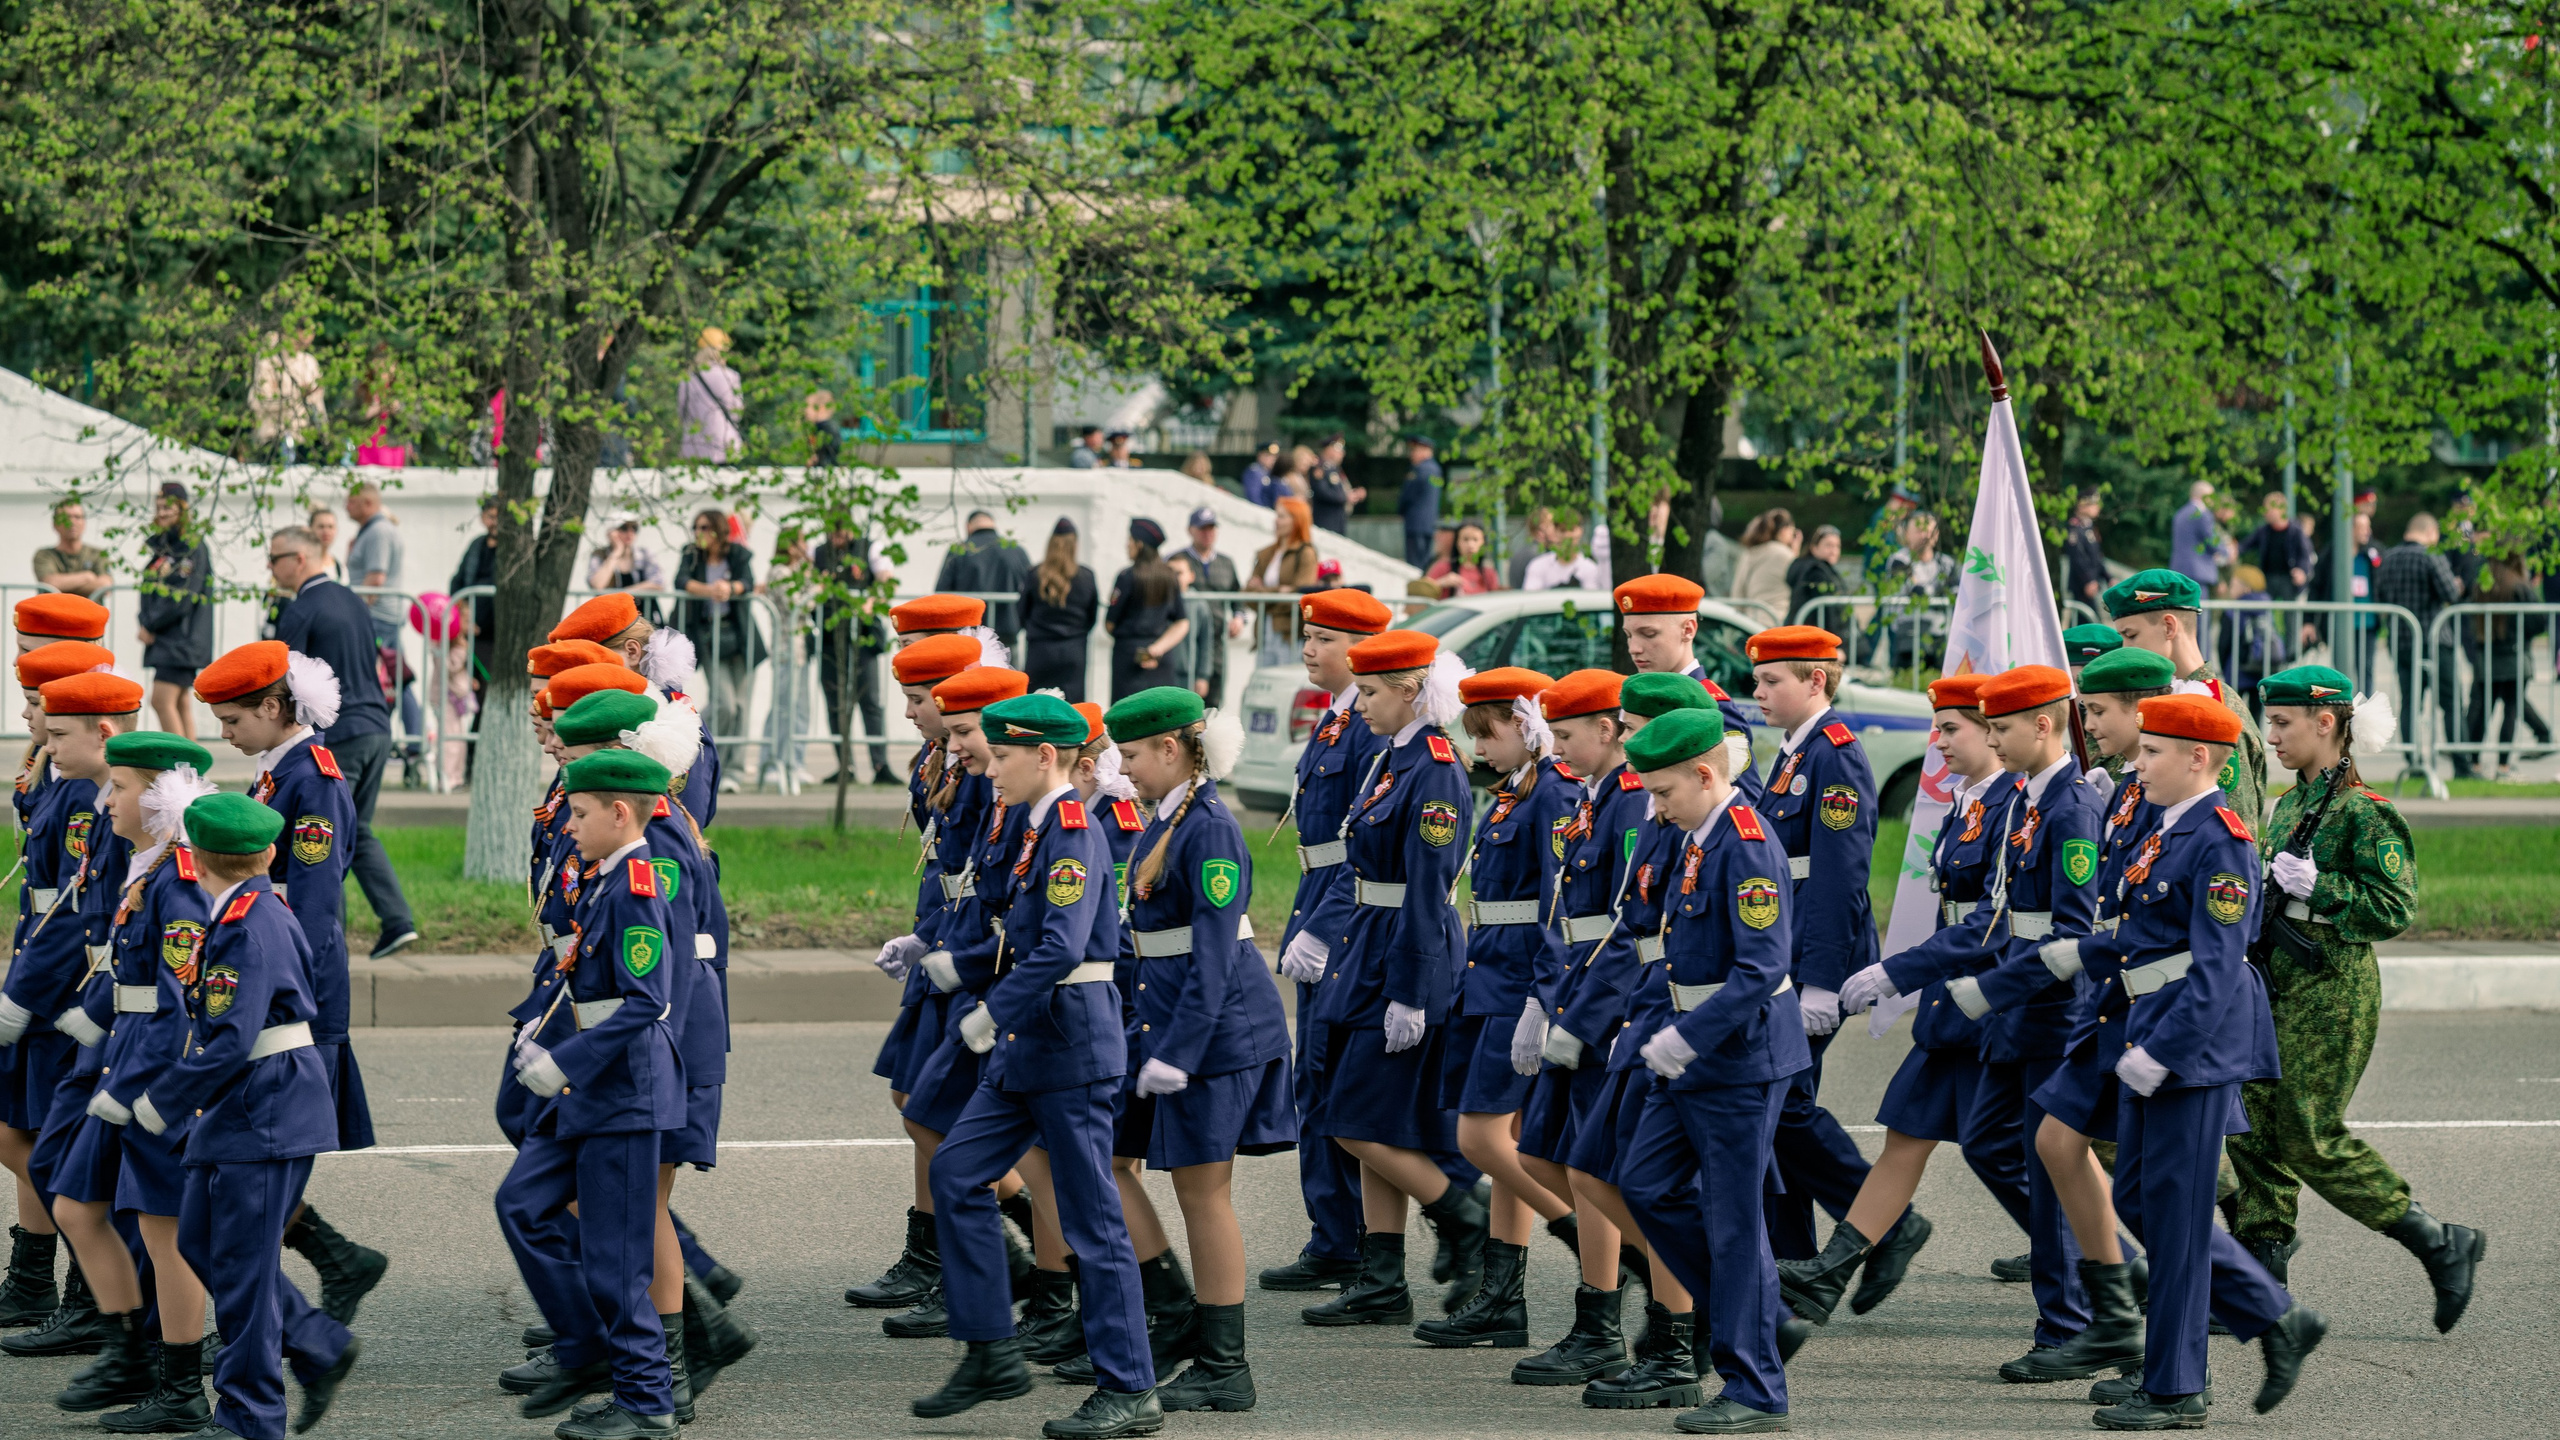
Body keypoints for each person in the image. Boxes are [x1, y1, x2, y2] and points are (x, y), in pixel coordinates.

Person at [2037, 695, 2328, 1429]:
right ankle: (2273, 1318)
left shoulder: (2221, 840)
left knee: (2173, 1212)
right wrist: (2080, 959)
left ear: (2199, 758)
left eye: (2152, 752)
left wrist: (2163, 1052)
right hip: (2147, 1030)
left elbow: (2217, 966)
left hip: (2191, 1049)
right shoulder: (2167, 827)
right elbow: (2144, 937)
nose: (2137, 764)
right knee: (2143, 1202)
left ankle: (2176, 1387)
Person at [1830, 667, 2105, 1375]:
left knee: (2058, 1165)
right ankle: (2105, 1293)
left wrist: (1983, 989)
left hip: (2042, 1008)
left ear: (2032, 726)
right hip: (2005, 998)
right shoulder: (2019, 803)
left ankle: (2087, 1315)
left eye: (1978, 727)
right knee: (1997, 1145)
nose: (1942, 742)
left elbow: (2062, 932)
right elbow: (1990, 915)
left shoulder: (2064, 805)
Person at [907, 692, 1165, 1440]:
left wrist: (992, 1011)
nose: (990, 770)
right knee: (957, 1172)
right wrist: (958, 964)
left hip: (1069, 1046)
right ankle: (990, 1348)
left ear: (1045, 756)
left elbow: (1061, 947)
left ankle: (1131, 1387)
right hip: (1031, 1046)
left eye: (1004, 756)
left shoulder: (1073, 829)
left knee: (1092, 1222)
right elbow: (1021, 938)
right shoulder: (1035, 826)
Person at [2234, 666, 2483, 1329]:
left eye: (2283, 723)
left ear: (2326, 724)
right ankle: (2261, 1277)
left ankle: (2439, 1241)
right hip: (2278, 978)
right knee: (2252, 1121)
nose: (2271, 736)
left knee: (2307, 1134)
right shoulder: (2290, 805)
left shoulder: (2364, 812)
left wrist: (2322, 887)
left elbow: (2394, 907)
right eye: (2270, 722)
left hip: (2333, 986)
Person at [1278, 628, 1489, 1335]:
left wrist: (1411, 989)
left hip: (1402, 950)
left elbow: (1429, 888)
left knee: (1354, 1121)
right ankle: (1381, 1278)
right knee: (1359, 1118)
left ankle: (1465, 1217)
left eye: (1370, 692)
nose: (1360, 703)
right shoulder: (1390, 759)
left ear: (1410, 691)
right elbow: (1359, 865)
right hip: (1364, 945)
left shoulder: (1435, 769)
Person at [1803, 676, 2039, 1300]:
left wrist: (1897, 971)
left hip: (1993, 1005)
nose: (1937, 742)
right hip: (1954, 1006)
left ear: (1991, 732)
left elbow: (1992, 923)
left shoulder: (2016, 807)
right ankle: (1833, 1271)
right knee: (1908, 1130)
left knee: (2010, 1153)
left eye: (1951, 729)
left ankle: (2107, 1268)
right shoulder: (1969, 803)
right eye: (1936, 729)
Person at [138, 790, 361, 1437]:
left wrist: (163, 1100)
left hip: (265, 1104)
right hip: (245, 1101)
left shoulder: (246, 924)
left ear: (197, 860)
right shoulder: (245, 910)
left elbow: (233, 1037)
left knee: (240, 1269)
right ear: (267, 854)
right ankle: (316, 1342)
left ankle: (249, 1415)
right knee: (200, 1241)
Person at [1618, 706, 1812, 1435]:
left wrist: (1687, 1038)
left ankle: (1756, 1389)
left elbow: (1760, 968)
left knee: (1734, 1225)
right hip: (1694, 1050)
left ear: (1705, 774)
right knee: (1645, 1183)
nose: (1655, 808)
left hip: (1737, 1057)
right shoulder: (1697, 835)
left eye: (1664, 792)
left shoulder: (1746, 843)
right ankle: (1758, 1315)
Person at [193, 639, 395, 1320]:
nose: (226, 733)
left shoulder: (316, 778)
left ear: (275, 707)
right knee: (254, 1165)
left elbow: (312, 903)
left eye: (233, 720)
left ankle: (274, 1327)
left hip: (294, 986)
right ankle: (336, 1265)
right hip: (272, 976)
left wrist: (285, 993)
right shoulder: (277, 771)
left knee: (264, 1166)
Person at [1107, 686, 1293, 1411]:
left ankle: (1224, 1364)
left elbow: (1213, 955)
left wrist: (1180, 1051)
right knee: (1114, 1160)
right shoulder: (1168, 816)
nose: (1124, 769)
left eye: (1132, 755)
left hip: (1216, 1035)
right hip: (1167, 1023)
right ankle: (1175, 1309)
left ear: (1171, 749)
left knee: (1202, 1192)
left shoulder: (1208, 828)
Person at [497, 749, 689, 1439]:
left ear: (619, 813)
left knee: (615, 1261)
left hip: (624, 1096)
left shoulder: (635, 886)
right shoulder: (603, 879)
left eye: (579, 813)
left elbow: (645, 1000)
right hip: (586, 1089)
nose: (569, 824)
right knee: (521, 1204)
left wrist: (565, 1061)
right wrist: (540, 1035)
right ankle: (583, 1345)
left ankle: (646, 1402)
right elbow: (579, 979)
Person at [1416, 667, 1575, 1352]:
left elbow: (1559, 904)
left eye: (1487, 732)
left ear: (1524, 724)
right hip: (1490, 977)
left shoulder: (1553, 794)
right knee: (1507, 1143)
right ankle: (1503, 1298)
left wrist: (1544, 995)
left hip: (1519, 984)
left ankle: (1599, 1240)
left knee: (1480, 1140)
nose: (1477, 747)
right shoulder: (1518, 790)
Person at [846, 622, 992, 1324]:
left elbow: (990, 874)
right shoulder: (937, 760)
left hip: (969, 946)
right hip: (942, 933)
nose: (908, 713)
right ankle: (935, 1251)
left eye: (916, 698)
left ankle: (1002, 1258)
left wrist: (948, 943)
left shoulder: (986, 766)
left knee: (943, 1110)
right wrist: (923, 934)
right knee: (917, 1097)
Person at [1505, 667, 1648, 1386]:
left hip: (1604, 1001)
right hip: (1572, 987)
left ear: (1608, 729)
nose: (1554, 748)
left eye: (1564, 735)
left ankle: (1605, 1319)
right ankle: (1655, 1281)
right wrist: (1543, 998)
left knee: (1590, 1167)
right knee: (1543, 1154)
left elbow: (1628, 922)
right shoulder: (1592, 797)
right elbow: (1561, 910)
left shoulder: (1631, 802)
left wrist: (1595, 1013)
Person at [74, 731, 220, 1429]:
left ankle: (181, 1388)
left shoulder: (178, 879)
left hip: (156, 1076)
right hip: (126, 1058)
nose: (108, 800)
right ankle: (132, 1354)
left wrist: (137, 1088)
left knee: (166, 1233)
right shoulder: (150, 867)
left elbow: (178, 1001)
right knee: (85, 1206)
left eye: (122, 787)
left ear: (161, 796)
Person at [1747, 625, 1904, 1270]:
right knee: (1780, 1108)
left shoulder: (1834, 754)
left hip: (1815, 956)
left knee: (1783, 1107)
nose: (1758, 692)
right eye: (1757, 680)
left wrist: (1820, 979)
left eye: (1771, 680)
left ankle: (1883, 1226)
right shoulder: (1795, 751)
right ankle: (1791, 1255)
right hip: (1788, 951)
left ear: (1816, 680)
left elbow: (1841, 874)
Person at [1257, 590, 1392, 1295]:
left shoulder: (1370, 727)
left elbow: (1363, 844)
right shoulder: (1338, 719)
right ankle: (1335, 1235)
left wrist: (1323, 926)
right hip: (1319, 895)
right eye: (1308, 637)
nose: (1309, 649)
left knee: (1332, 1074)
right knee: (1315, 1076)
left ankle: (1355, 1238)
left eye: (1324, 639)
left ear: (1362, 651)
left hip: (1343, 909)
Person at [267, 525, 420, 958]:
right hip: (376, 728)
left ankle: (328, 943)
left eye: (275, 558)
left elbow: (283, 683)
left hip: (341, 736)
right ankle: (397, 920)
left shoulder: (301, 609)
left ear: (299, 559)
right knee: (359, 829)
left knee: (323, 840)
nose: (270, 567)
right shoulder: (352, 599)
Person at [2104, 567, 2268, 823]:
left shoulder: (2215, 712)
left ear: (2169, 627)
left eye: (2131, 635)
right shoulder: (2155, 701)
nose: (2125, 650)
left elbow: (2229, 828)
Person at [673, 508, 764, 783]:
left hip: (739, 636)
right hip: (709, 637)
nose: (698, 533)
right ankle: (693, 741)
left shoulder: (737, 553)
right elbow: (680, 581)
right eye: (696, 527)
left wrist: (730, 588)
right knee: (725, 704)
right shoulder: (691, 554)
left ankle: (733, 770)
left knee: (741, 706)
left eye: (704, 528)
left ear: (717, 530)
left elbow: (747, 582)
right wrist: (710, 590)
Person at [2374, 514, 2465, 776]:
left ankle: (2413, 761)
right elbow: (2450, 593)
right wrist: (2457, 585)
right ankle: (2462, 764)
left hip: (2401, 641)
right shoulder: (2431, 555)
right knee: (2451, 702)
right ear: (2431, 532)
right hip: (2435, 640)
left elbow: (2380, 597)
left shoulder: (2388, 558)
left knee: (2410, 702)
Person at [345, 484, 424, 781]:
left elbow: (375, 580)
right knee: (394, 679)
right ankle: (410, 741)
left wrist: (353, 612)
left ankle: (413, 742)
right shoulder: (373, 530)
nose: (346, 507)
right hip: (380, 617)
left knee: (394, 681)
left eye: (351, 502)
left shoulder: (378, 532)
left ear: (367, 503)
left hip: (377, 618)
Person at [811, 523, 896, 784]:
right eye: (832, 533)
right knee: (835, 703)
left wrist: (872, 600)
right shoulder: (819, 552)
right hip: (830, 637)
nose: (836, 538)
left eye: (840, 533)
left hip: (863, 637)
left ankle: (880, 765)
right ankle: (845, 766)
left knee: (870, 701)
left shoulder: (868, 548)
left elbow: (886, 580)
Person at [137, 483, 214, 740]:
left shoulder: (191, 546)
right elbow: (150, 590)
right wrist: (144, 621)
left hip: (181, 641)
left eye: (168, 507)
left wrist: (150, 624)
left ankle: (181, 760)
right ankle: (191, 762)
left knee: (161, 700)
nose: (162, 512)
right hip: (170, 640)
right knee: (179, 703)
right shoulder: (166, 546)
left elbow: (182, 598)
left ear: (182, 509)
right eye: (158, 507)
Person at [2463, 558, 2553, 776]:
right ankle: (2503, 766)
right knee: (2510, 711)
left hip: (2488, 653)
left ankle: (2474, 762)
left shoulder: (2483, 582)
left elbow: (2467, 611)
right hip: (2513, 653)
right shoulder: (2518, 585)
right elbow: (2538, 621)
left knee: (2484, 711)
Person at [1105, 520, 1191, 703]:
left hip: (1129, 657)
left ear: (1139, 544)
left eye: (1130, 540)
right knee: (1161, 713)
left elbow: (1110, 623)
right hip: (1161, 656)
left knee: (1127, 714)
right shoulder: (1169, 576)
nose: (1127, 545)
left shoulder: (1127, 577)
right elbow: (1182, 622)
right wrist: (1158, 648)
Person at [1017, 518, 1102, 702]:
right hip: (1074, 649)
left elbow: (1022, 613)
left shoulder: (1035, 574)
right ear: (1075, 545)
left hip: (1040, 649)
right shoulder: (1087, 576)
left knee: (1037, 704)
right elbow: (1092, 616)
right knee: (1072, 706)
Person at [1170, 508, 1243, 706]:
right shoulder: (1177, 561)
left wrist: (1239, 618)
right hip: (1185, 641)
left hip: (1216, 641)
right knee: (1181, 701)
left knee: (1213, 700)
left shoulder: (1226, 563)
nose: (1207, 533)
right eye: (1202, 528)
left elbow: (1237, 596)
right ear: (1190, 530)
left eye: (1211, 528)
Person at [937, 510, 1033, 651]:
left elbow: (941, 593)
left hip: (969, 632)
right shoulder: (1016, 551)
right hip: (1007, 632)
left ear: (968, 526)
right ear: (993, 524)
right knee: (1007, 665)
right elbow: (1031, 589)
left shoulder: (959, 550)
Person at [452, 499, 504, 726]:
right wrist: (462, 618)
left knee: (485, 689)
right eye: (490, 516)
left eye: (498, 516)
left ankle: (476, 741)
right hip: (471, 633)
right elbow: (458, 582)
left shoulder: (510, 550)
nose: (494, 522)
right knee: (469, 689)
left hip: (494, 635)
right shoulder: (476, 546)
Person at [249, 331, 325, 463]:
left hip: (305, 439)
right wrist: (297, 395)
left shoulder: (309, 362)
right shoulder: (267, 361)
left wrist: (324, 433)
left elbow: (318, 404)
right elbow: (259, 403)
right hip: (274, 437)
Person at [677, 337, 744, 461]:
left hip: (694, 445)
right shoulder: (731, 376)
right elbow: (737, 413)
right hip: (725, 445)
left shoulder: (688, 378)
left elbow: (682, 412)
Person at [33, 499, 112, 598]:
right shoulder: (44, 555)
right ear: (55, 524)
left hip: (89, 608)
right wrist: (87, 577)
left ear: (84, 523)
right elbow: (50, 583)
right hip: (56, 608)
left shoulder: (98, 554)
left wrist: (64, 587)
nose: (72, 522)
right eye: (66, 517)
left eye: (77, 517)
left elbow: (105, 585)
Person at [1729, 509, 1798, 623]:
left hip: (1751, 621)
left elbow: (1738, 591)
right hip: (1777, 621)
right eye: (1793, 532)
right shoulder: (1785, 554)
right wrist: (1794, 553)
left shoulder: (1749, 553)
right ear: (1784, 530)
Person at [589, 515, 670, 611]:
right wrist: (617, 551)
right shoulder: (600, 555)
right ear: (612, 532)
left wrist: (622, 595)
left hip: (642, 614)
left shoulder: (644, 554)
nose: (630, 533)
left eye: (634, 528)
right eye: (624, 528)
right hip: (612, 614)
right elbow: (597, 585)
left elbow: (659, 582)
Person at [2243, 493, 2313, 601]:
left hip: (2288, 579)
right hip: (2268, 577)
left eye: (2269, 510)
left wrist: (2302, 571)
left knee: (2289, 609)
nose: (2265, 513)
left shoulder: (2295, 531)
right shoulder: (2264, 531)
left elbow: (2305, 554)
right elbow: (2245, 545)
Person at [1520, 513, 1605, 592]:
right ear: (1555, 532)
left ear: (1580, 531)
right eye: (1562, 530)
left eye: (1571, 529)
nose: (1567, 535)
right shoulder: (1537, 565)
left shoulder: (1590, 568)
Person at [1785, 525, 1846, 626]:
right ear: (1814, 548)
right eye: (1828, 545)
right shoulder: (1816, 572)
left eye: (1837, 546)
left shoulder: (1804, 567)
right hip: (1814, 632)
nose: (1834, 551)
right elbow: (1830, 616)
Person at [1398, 436, 1443, 568]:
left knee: (1414, 563)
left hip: (1415, 522)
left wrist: (1401, 510)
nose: (1411, 455)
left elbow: (1408, 495)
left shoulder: (1419, 470)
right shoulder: (1436, 469)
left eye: (1414, 450)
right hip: (1429, 522)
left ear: (1425, 451)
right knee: (1424, 561)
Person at [1427, 520, 1502, 597]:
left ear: (1483, 543)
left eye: (1475, 539)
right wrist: (1440, 582)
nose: (1470, 545)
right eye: (1465, 539)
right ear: (1457, 542)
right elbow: (1422, 593)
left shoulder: (1488, 573)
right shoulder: (1443, 567)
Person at [1307, 435, 1361, 535]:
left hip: (1337, 521)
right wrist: (1345, 497)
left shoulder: (1334, 469)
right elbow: (1323, 492)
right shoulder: (1319, 468)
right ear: (1328, 450)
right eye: (1338, 450)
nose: (1342, 453)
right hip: (1325, 521)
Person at [2170, 480, 2219, 589]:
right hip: (2197, 572)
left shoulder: (2180, 513)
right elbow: (2212, 541)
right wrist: (2227, 551)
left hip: (2179, 570)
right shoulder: (2202, 514)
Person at [2065, 491, 2109, 610]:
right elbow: (2077, 558)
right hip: (2082, 586)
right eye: (2093, 504)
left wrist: (2108, 578)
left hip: (2093, 584)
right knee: (2086, 618)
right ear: (2082, 506)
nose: (2097, 507)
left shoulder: (2089, 527)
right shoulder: (2074, 528)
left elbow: (2097, 557)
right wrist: (2088, 581)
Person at [1239, 442, 1281, 507]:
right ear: (1260, 456)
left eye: (1274, 456)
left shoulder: (1269, 472)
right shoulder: (1255, 472)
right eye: (1268, 456)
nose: (1273, 459)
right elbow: (1253, 496)